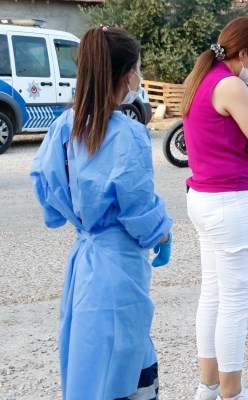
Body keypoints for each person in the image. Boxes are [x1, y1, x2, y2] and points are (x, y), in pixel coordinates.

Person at [29, 26, 173, 399]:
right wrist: (163, 233)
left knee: (88, 360)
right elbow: (138, 207)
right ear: (128, 75)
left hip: (85, 262)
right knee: (126, 359)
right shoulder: (128, 133)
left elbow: (46, 192)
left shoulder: (62, 127)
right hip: (120, 263)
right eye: (138, 70)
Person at [181, 16, 248, 400]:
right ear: (244, 54)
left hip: (203, 198)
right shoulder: (231, 85)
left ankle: (208, 386)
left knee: (213, 295)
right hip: (230, 202)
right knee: (234, 303)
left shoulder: (201, 79)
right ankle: (232, 393)